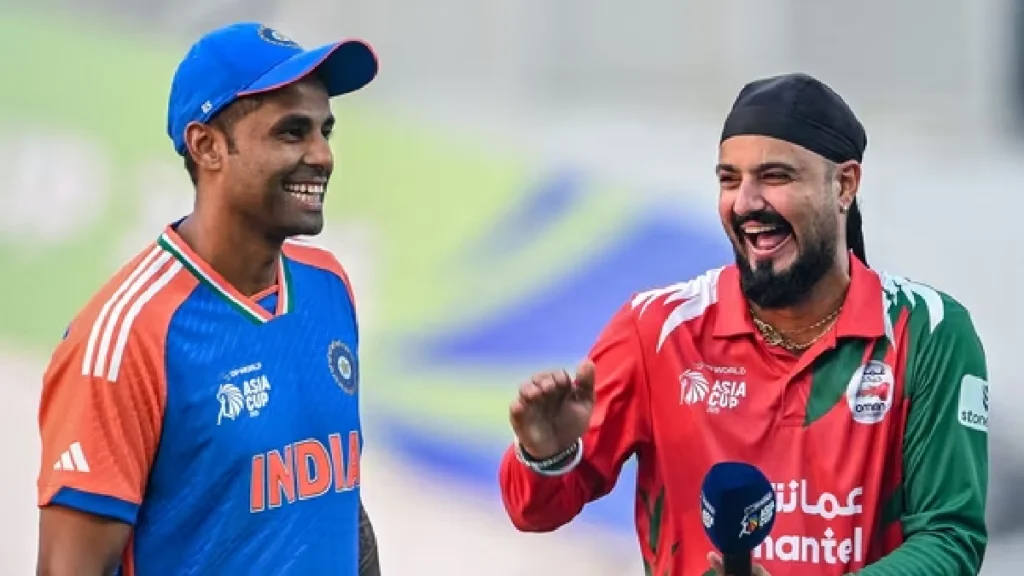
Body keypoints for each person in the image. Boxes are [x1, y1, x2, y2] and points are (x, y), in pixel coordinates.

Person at [498, 73, 989, 575]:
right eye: (729, 180)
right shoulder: (657, 328)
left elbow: (949, 542)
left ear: (844, 184)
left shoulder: (929, 331)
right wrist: (547, 456)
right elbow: (534, 511)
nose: (746, 202)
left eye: (775, 177)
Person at [35, 22, 382, 575]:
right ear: (207, 147)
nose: (322, 156)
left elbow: (338, 504)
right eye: (292, 132)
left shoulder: (328, 284)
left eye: (325, 131)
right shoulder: (126, 336)